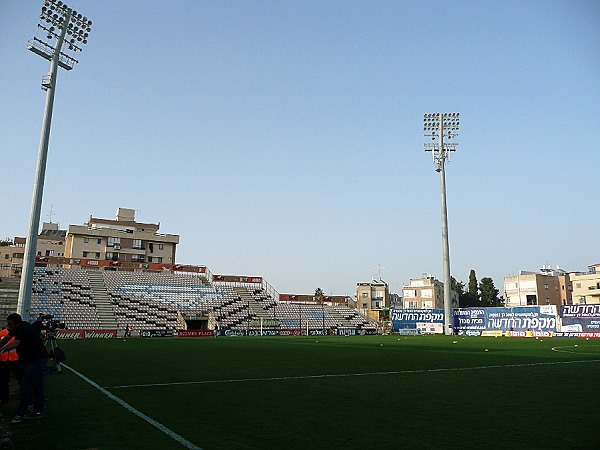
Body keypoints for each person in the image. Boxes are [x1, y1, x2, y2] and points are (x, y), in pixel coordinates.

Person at [0, 313, 48, 423]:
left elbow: (16, 343)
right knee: (37, 385)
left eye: (10, 324)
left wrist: (2, 349)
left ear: (16, 323)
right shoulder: (18, 328)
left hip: (36, 360)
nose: (8, 326)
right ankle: (37, 411)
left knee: (26, 385)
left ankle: (21, 413)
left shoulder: (24, 329)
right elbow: (7, 337)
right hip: (34, 359)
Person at [0, 327, 19, 405]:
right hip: (3, 360)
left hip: (15, 359)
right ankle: (4, 399)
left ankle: (28, 397)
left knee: (21, 379)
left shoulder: (17, 333)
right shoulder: (1, 333)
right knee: (3, 381)